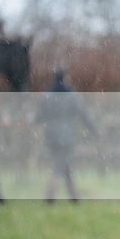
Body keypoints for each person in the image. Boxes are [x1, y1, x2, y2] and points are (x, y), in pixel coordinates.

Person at [34, 69, 97, 202]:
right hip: (67, 136)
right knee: (59, 166)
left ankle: (74, 198)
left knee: (65, 165)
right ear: (65, 78)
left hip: (51, 136)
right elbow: (84, 114)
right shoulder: (72, 96)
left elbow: (38, 117)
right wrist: (95, 129)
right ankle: (50, 196)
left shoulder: (47, 96)